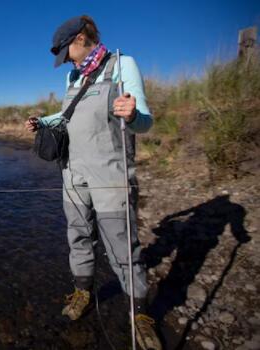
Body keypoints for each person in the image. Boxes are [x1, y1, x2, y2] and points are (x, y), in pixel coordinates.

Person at [25, 16, 162, 350]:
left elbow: (144, 122)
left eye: (67, 52)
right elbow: (67, 115)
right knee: (78, 236)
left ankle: (140, 314)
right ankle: (83, 292)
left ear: (81, 38)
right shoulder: (74, 75)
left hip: (112, 177)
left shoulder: (122, 64)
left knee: (122, 246)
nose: (66, 61)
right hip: (72, 173)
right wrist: (41, 121)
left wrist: (132, 115)